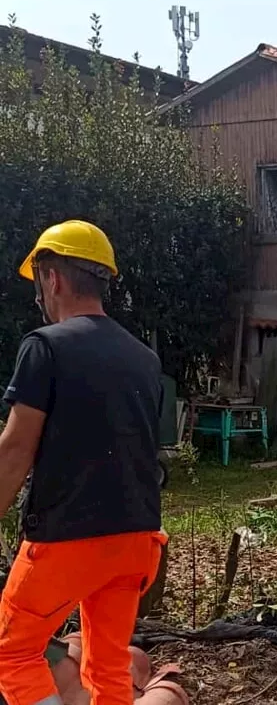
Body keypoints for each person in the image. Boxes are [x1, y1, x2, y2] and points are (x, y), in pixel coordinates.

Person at [0, 220, 168, 705]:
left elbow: (15, 449)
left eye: (39, 284)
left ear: (51, 278)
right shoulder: (143, 359)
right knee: (109, 668)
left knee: (12, 652)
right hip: (137, 539)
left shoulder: (45, 347)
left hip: (68, 539)